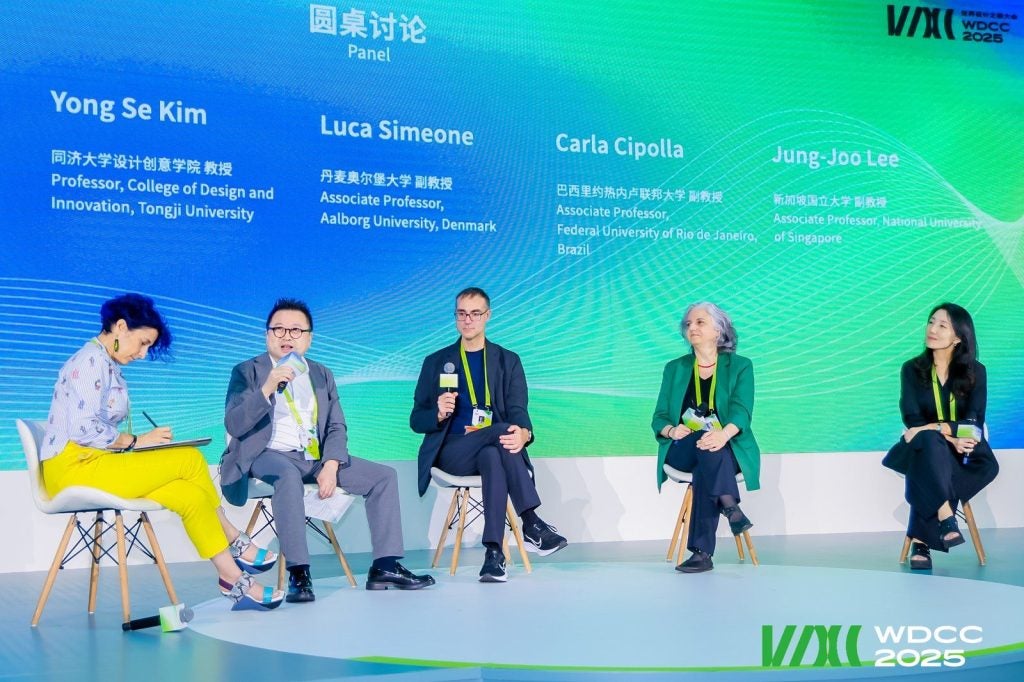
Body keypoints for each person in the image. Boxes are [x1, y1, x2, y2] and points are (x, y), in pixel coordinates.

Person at [41, 293, 283, 611]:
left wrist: (140, 443)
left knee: (189, 495)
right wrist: (137, 441)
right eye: (142, 343)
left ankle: (232, 578)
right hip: (74, 470)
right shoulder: (90, 361)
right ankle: (234, 538)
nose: (143, 354)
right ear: (121, 327)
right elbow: (84, 429)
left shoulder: (105, 363)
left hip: (95, 464)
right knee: (189, 459)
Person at [221, 298, 433, 601]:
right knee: (287, 476)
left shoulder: (321, 374)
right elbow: (234, 423)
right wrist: (267, 387)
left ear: (309, 338)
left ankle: (385, 566)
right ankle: (299, 573)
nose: (286, 336)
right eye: (278, 329)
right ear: (267, 335)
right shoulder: (247, 371)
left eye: (296, 330)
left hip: (315, 457)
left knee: (383, 477)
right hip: (268, 455)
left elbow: (336, 426)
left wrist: (331, 464)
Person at [411, 287, 567, 583]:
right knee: (500, 430)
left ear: (487, 316)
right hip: (452, 452)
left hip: (491, 449)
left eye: (475, 313)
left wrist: (524, 433)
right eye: (461, 314)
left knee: (493, 455)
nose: (467, 320)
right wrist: (438, 414)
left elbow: (518, 408)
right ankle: (531, 522)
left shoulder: (508, 360)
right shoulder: (435, 362)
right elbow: (416, 420)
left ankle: (493, 554)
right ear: (455, 316)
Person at [882, 303, 998, 570]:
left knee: (931, 464)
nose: (932, 329)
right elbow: (912, 419)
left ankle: (921, 541)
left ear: (958, 337)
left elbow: (974, 422)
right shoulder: (912, 369)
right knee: (929, 446)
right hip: (923, 447)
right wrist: (946, 435)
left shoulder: (976, 371)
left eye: (942, 325)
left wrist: (942, 431)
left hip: (965, 450)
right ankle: (946, 516)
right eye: (931, 322)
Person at [651, 302, 760, 573]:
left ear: (718, 330)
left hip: (728, 445)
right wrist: (672, 430)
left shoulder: (740, 366)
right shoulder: (675, 368)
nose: (692, 327)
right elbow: (659, 417)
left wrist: (723, 435)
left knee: (708, 460)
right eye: (688, 324)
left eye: (700, 322)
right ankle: (730, 506)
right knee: (705, 443)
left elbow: (742, 411)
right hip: (683, 447)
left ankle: (701, 553)